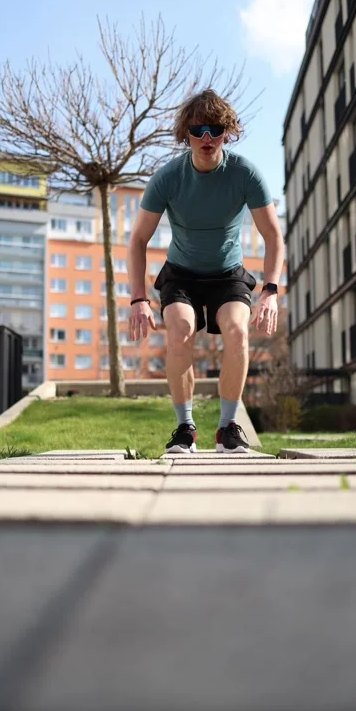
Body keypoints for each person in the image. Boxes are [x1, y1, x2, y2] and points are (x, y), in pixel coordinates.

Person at [127, 89, 284, 454]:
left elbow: (273, 236)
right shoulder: (167, 179)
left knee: (237, 331)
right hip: (181, 275)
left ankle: (228, 429)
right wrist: (138, 299)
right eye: (198, 130)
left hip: (228, 274)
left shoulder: (245, 174)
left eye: (215, 129)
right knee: (180, 330)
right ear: (186, 134)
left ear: (227, 131)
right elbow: (137, 240)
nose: (207, 139)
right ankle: (185, 429)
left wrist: (271, 290)